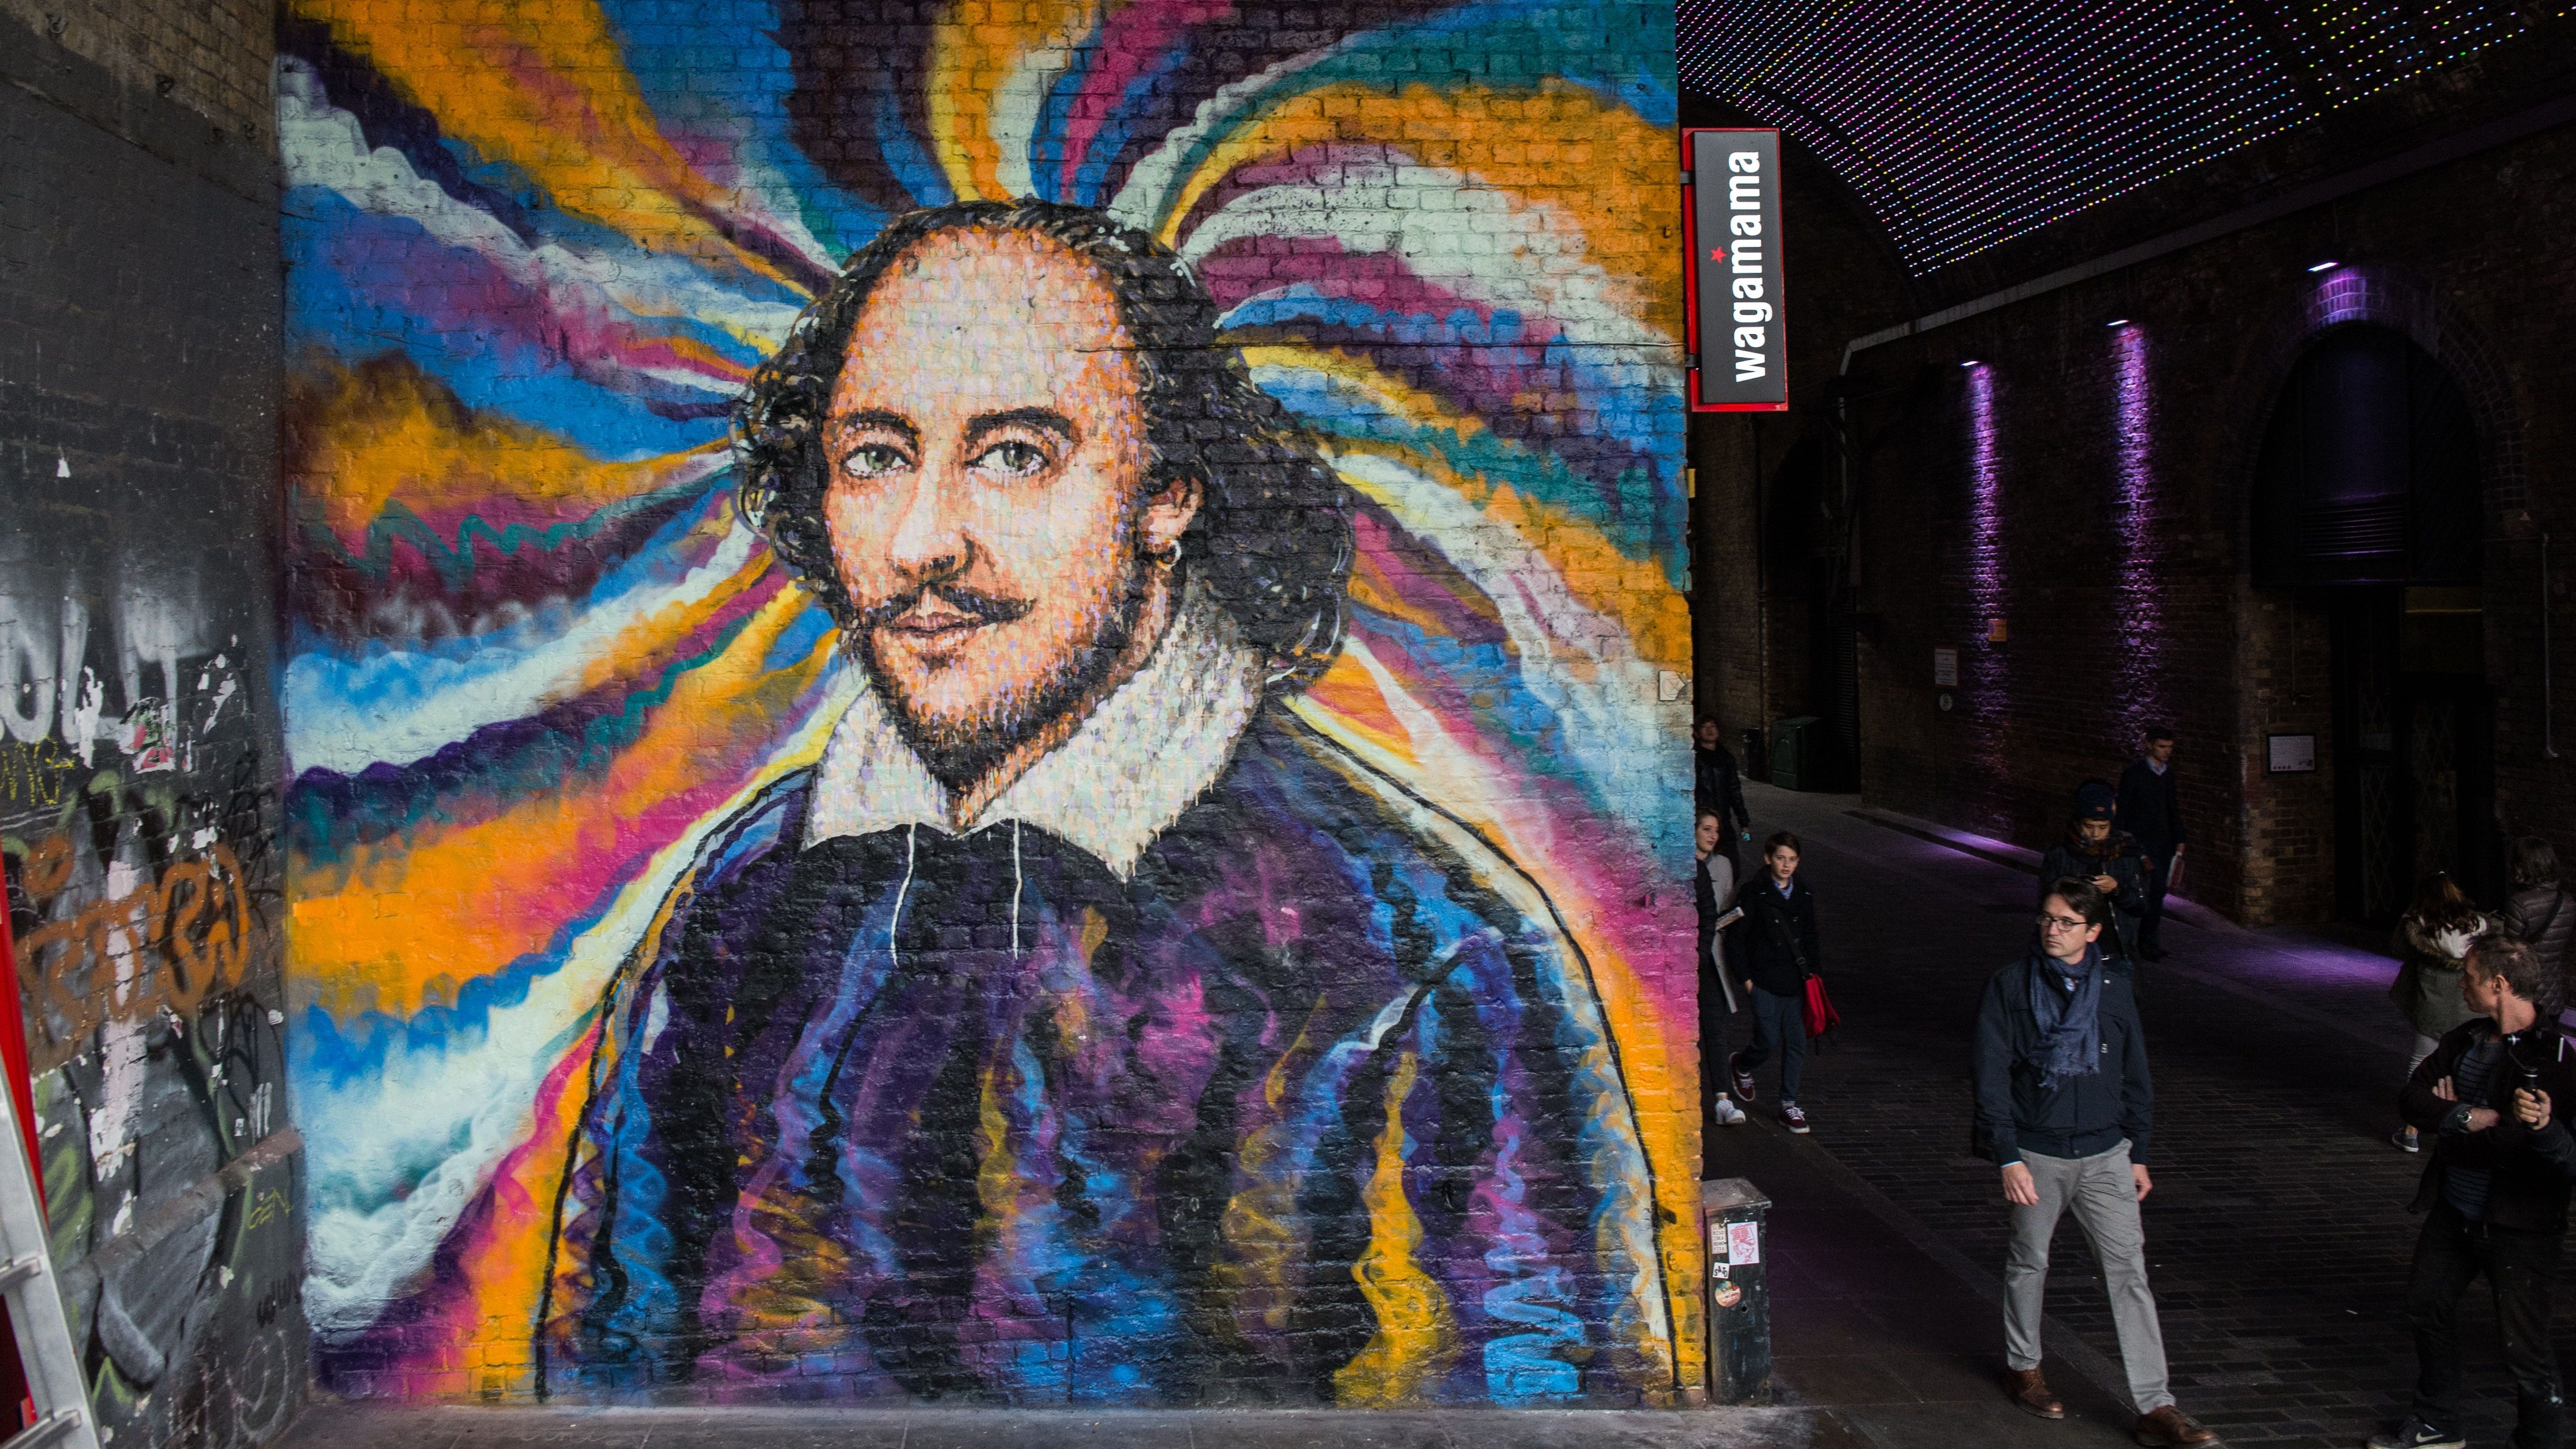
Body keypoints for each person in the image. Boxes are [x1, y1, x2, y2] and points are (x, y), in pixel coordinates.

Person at [535, 200, 1677, 1401]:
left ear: (1167, 495)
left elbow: (1538, 1398)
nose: (924, 539)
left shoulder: (1421, 961)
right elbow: (607, 1356)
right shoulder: (745, 903)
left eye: (1014, 453)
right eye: (875, 456)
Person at [1973, 878, 2219, 1447]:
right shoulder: (2010, 986)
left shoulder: (2113, 988)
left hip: (2107, 1153)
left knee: (2128, 1274)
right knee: (2028, 1263)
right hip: (2037, 1151)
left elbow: (2135, 1072)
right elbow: (1989, 1079)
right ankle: (2022, 1367)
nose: (2051, 930)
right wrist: (2006, 1156)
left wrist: (2139, 1151)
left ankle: (2155, 1405)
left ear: (2093, 932)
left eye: (2065, 922)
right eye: (2046, 919)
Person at [2372, 935, 2576, 1449]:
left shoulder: (2551, 1053)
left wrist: (2454, 1129)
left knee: (2522, 1350)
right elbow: (2410, 1098)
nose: (2459, 983)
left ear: (2498, 984)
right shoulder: (2464, 1039)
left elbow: (2522, 1142)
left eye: (2467, 976)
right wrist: (2463, 1113)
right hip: (2455, 1211)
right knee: (2426, 1304)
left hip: (2519, 1225)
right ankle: (2437, 1422)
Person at [2392, 874, 2491, 1154]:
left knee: (2421, 1062)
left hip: (2432, 1002)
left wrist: (2406, 920)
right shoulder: (2479, 924)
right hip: (2466, 1003)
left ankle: (2411, 1130)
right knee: (2470, 1061)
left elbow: (2399, 948)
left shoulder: (2423, 925)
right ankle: (2469, 1120)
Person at [1728, 831, 1820, 1134]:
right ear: (1768, 859)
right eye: (1781, 858)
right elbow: (1737, 940)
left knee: (1797, 1043)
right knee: (1767, 1040)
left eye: (1792, 860)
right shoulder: (1754, 893)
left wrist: (1814, 977)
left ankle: (1788, 1104)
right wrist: (1747, 980)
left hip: (1795, 983)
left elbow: (1810, 939)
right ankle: (1742, 1064)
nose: (1786, 865)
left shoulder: (1803, 894)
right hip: (1764, 982)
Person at [2037, 780, 2148, 976]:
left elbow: (2140, 905)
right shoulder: (2061, 854)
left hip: (2115, 954)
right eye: (2089, 826)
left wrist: (2116, 889)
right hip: (2069, 954)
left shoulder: (2126, 853)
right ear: (2079, 823)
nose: (2096, 834)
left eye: (2103, 827)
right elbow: (2045, 903)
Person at [2113, 726, 2186, 961]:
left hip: (2163, 843)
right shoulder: (2135, 774)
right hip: (2141, 843)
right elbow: (2123, 809)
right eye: (2162, 747)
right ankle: (2137, 941)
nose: (2167, 752)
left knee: (2158, 893)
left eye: (2170, 748)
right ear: (2150, 745)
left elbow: (2172, 807)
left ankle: (2149, 940)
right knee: (2141, 892)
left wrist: (2180, 838)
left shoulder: (2168, 774)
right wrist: (2124, 840)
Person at [1697, 812, 1749, 1139]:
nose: (1713, 835)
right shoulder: (1680, 864)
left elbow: (1728, 910)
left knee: (1716, 1030)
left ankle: (1722, 1099)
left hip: (1712, 957)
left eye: (1717, 830)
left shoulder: (1724, 866)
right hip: (1685, 956)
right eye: (1706, 829)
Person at [2499, 836, 2573, 1012]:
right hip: (2554, 993)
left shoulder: (2520, 904)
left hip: (2526, 994)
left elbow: (2509, 951)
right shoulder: (2568, 901)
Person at [1696, 718, 1752, 842]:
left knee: (1730, 857)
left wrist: (1744, 823)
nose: (1710, 730)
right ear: (1697, 733)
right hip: (1702, 819)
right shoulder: (1694, 759)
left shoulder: (1726, 758)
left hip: (1723, 820)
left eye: (1713, 726)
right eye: (1705, 726)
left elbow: (1735, 791)